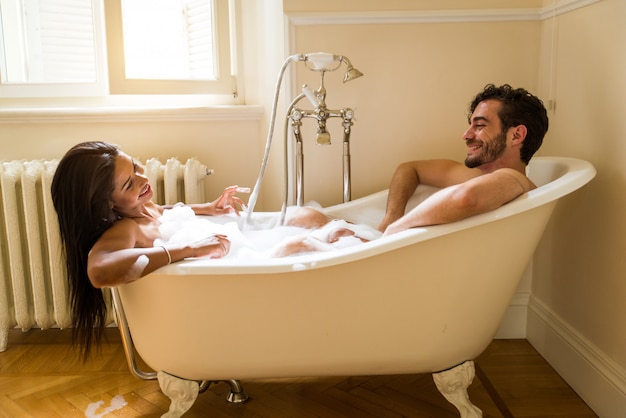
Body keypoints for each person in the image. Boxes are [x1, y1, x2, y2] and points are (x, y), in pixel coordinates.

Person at [51, 141, 246, 359]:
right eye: (129, 184)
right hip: (178, 322)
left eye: (134, 166)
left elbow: (164, 212)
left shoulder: (143, 207)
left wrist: (208, 208)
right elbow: (97, 271)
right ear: (108, 204)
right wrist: (187, 249)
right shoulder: (127, 229)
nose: (143, 180)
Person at [378, 84, 548, 235]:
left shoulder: (516, 180)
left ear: (516, 135)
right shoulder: (472, 176)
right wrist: (391, 218)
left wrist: (393, 232)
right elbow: (409, 169)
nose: (466, 135)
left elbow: (464, 197)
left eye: (480, 125)